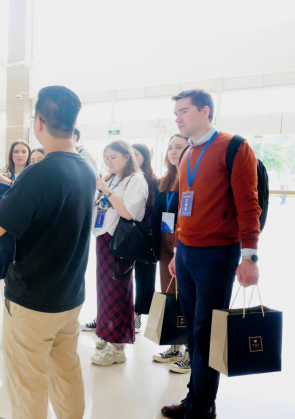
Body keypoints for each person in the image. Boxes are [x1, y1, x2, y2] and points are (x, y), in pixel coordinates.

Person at [0, 86, 96, 419]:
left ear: (39, 123)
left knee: (28, 383)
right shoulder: (86, 168)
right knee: (67, 370)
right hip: (71, 295)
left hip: (33, 299)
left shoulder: (40, 172)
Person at [161, 89, 261, 419]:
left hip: (217, 254)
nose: (178, 117)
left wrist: (249, 256)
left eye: (184, 110)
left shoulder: (234, 147)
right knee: (193, 331)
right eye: (176, 112)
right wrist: (177, 249)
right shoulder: (187, 154)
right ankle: (199, 397)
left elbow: (248, 204)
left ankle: (200, 408)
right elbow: (184, 206)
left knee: (207, 332)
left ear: (205, 111)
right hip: (186, 253)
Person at [89, 139, 148, 366]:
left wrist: (107, 191)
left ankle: (117, 346)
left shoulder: (136, 179)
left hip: (121, 241)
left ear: (126, 156)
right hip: (104, 238)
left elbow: (128, 213)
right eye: (107, 158)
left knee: (118, 289)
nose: (109, 161)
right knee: (104, 288)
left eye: (113, 157)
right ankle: (107, 334)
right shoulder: (111, 178)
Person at [151, 134, 192, 373]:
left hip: (183, 245)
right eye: (170, 148)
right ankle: (174, 344)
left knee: (186, 297)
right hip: (165, 244)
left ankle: (189, 351)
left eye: (179, 147)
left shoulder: (192, 178)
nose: (173, 152)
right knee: (170, 294)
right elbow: (157, 215)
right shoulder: (165, 180)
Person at [131, 143, 159, 333]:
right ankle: (119, 314)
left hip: (146, 235)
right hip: (126, 233)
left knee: (144, 277)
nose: (133, 159)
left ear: (145, 158)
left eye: (137, 155)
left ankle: (138, 314)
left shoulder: (155, 182)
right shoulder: (123, 179)